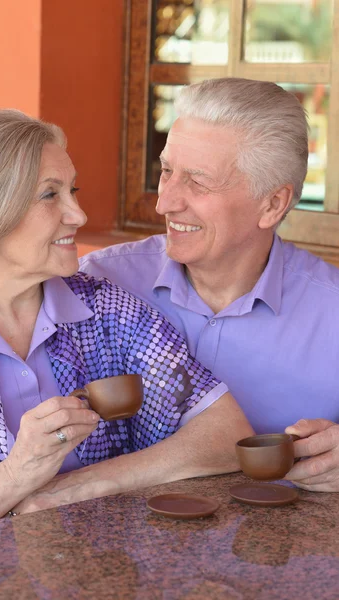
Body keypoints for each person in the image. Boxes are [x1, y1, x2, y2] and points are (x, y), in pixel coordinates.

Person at [0, 109, 252, 530]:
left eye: (73, 190)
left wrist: (86, 485)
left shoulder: (107, 310)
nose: (78, 215)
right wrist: (14, 478)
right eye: (51, 195)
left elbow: (226, 431)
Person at [80, 77, 339, 493]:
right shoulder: (95, 284)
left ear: (272, 204)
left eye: (197, 182)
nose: (165, 202)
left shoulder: (333, 311)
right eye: (166, 171)